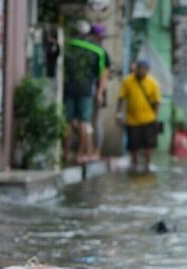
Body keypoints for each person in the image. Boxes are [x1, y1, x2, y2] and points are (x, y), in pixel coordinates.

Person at [63, 20, 108, 164]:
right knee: (84, 122)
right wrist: (100, 93)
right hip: (86, 90)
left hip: (68, 87)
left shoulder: (67, 45)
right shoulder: (98, 51)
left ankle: (66, 153)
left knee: (67, 121)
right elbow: (103, 74)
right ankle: (79, 155)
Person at [117, 59, 162, 173]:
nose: (141, 71)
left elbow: (157, 101)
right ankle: (134, 164)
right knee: (133, 145)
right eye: (140, 68)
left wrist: (155, 117)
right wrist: (118, 114)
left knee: (148, 144)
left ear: (148, 70)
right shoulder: (128, 81)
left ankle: (148, 164)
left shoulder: (152, 83)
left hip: (148, 118)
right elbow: (121, 98)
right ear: (136, 69)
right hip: (132, 119)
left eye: (144, 69)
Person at [88, 24, 112, 159]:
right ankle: (89, 149)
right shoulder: (87, 50)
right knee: (85, 122)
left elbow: (105, 75)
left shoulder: (102, 53)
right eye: (99, 37)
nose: (100, 39)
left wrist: (99, 93)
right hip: (85, 90)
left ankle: (96, 151)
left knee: (96, 122)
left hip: (97, 91)